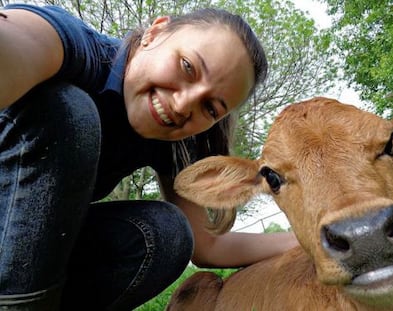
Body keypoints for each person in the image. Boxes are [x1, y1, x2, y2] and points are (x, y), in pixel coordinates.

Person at [0, 3, 298, 311]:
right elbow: (19, 41)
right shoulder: (77, 47)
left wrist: (317, 239)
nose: (183, 105)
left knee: (168, 233)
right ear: (155, 33)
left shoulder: (176, 140)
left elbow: (209, 245)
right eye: (187, 67)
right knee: (67, 113)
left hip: (22, 260)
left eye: (210, 108)